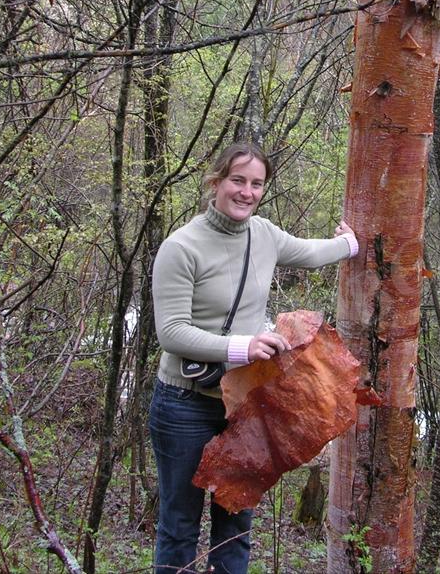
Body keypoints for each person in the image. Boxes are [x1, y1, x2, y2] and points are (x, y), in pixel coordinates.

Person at [149, 142, 357, 574]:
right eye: (237, 181)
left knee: (236, 525)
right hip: (184, 404)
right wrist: (242, 346)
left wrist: (349, 244)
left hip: (243, 406)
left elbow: (311, 252)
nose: (246, 192)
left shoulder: (264, 235)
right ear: (216, 182)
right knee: (179, 525)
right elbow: (170, 332)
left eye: (256, 184)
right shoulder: (181, 247)